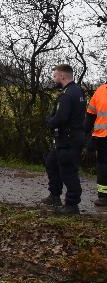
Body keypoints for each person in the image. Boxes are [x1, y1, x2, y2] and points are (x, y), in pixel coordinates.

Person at [41, 64, 86, 215]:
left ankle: (72, 205)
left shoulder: (67, 94)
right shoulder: (78, 90)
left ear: (62, 76)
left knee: (68, 171)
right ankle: (55, 195)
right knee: (51, 162)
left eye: (55, 76)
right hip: (70, 137)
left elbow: (61, 117)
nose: (54, 79)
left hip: (68, 139)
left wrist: (49, 122)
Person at [85, 81, 107, 206]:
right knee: (103, 167)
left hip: (102, 137)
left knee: (103, 167)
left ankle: (103, 197)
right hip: (102, 137)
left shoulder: (100, 90)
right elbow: (90, 116)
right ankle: (103, 197)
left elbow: (89, 117)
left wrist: (86, 137)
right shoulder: (100, 90)